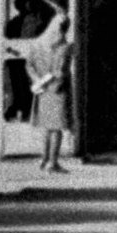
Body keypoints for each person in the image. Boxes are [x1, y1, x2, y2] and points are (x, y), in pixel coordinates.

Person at [23, 9, 72, 172]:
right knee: (56, 128)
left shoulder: (37, 43)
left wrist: (37, 81)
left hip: (42, 90)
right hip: (57, 90)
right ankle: (53, 162)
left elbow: (29, 65)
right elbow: (60, 71)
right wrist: (55, 84)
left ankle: (44, 160)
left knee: (46, 127)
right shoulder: (64, 47)